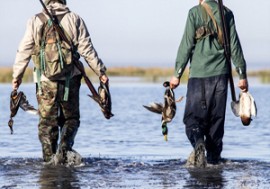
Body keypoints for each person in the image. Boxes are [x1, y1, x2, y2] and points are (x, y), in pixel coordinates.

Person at [12, 0, 109, 164]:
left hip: (45, 82)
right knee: (71, 119)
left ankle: (49, 162)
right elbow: (87, 49)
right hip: (70, 81)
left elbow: (24, 51)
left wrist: (17, 77)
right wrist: (101, 72)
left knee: (46, 123)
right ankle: (64, 153)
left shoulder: (35, 20)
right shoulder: (74, 19)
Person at [170, 0, 248, 167]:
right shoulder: (227, 13)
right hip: (221, 76)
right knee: (216, 122)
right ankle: (213, 160)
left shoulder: (194, 13)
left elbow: (186, 45)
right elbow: (235, 46)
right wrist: (242, 74)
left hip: (199, 76)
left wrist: (177, 74)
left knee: (192, 120)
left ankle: (199, 143)